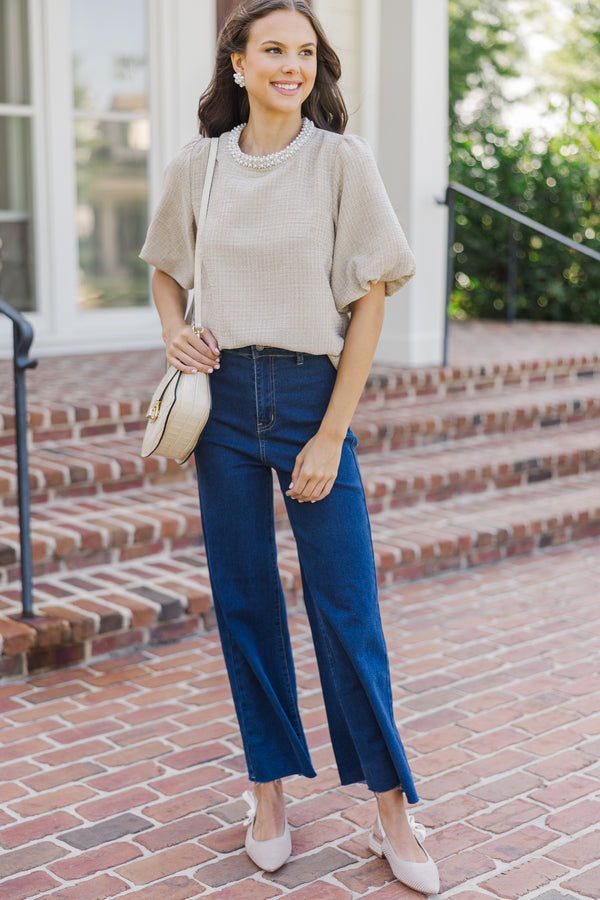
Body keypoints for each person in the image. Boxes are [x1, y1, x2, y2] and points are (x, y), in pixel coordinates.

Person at [140, 0, 439, 893]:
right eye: (273, 49)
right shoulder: (200, 166)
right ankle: (267, 793)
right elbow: (164, 266)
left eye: (305, 53)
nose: (291, 65)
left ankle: (392, 807)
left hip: (315, 398)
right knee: (245, 604)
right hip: (224, 404)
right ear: (237, 61)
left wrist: (333, 431)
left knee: (347, 611)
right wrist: (172, 332)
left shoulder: (340, 162)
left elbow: (372, 297)